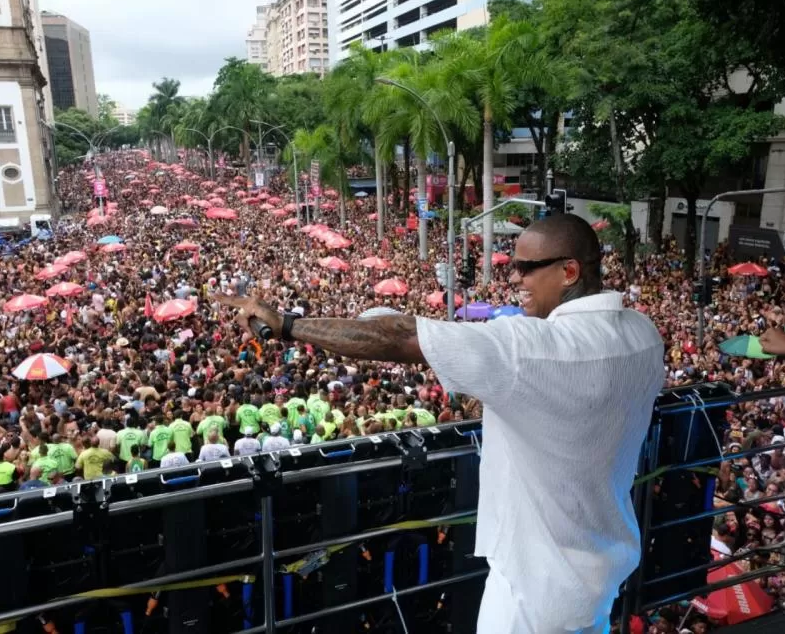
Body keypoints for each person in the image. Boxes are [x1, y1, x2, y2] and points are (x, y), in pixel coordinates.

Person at [218, 214, 666, 634]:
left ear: (569, 271)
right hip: (601, 577)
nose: (513, 278)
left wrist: (287, 325)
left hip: (531, 592)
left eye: (525, 268)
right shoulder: (644, 335)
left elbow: (400, 336)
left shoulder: (531, 348)